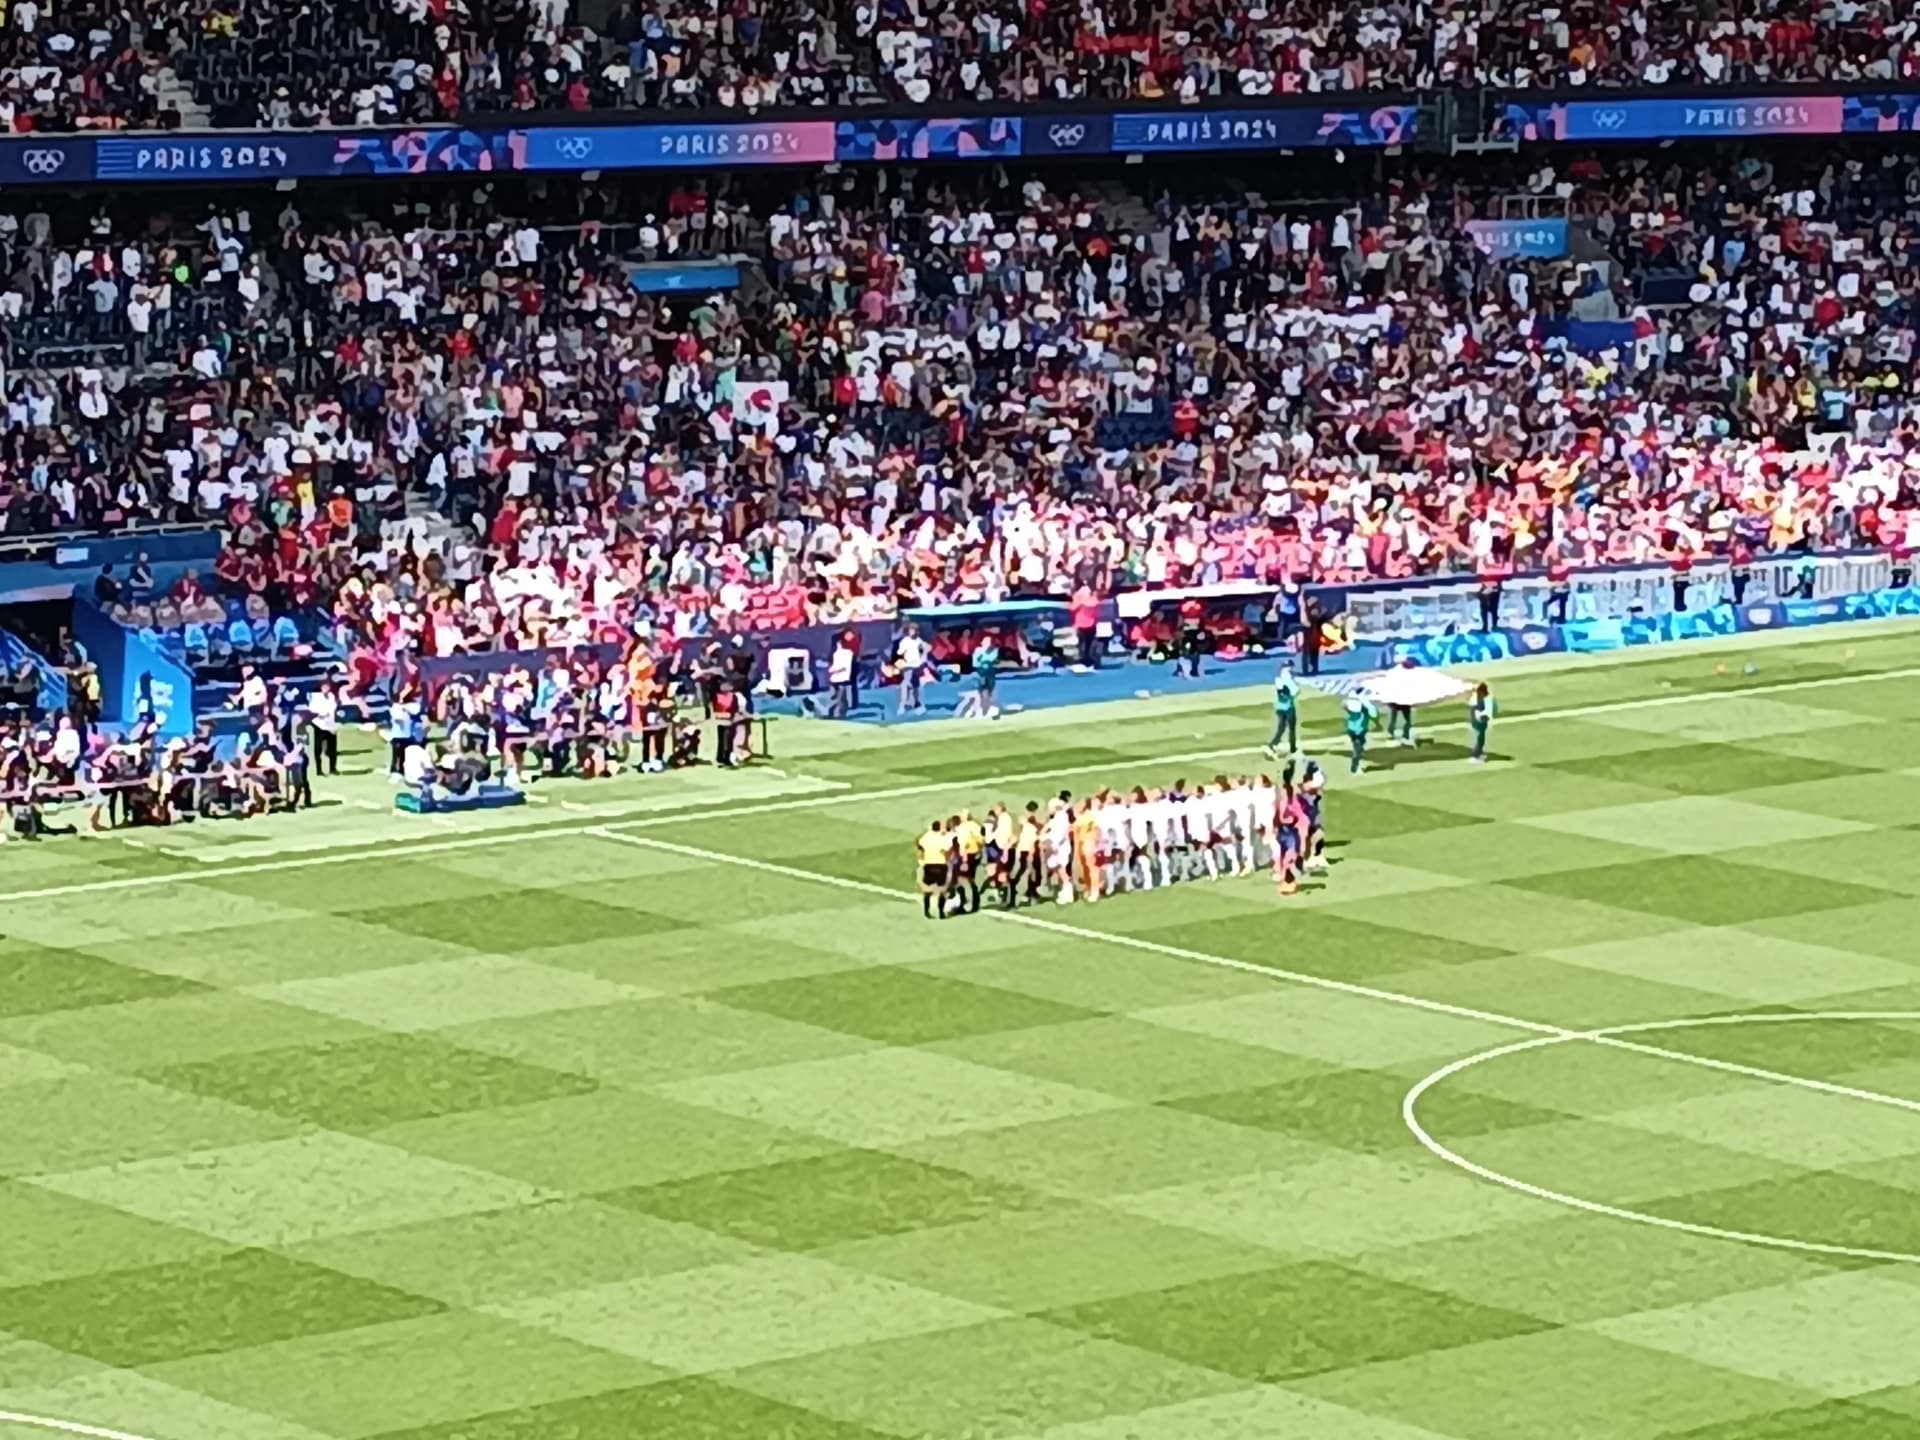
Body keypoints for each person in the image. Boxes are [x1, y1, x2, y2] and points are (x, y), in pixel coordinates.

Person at [917, 819, 953, 919]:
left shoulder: (925, 837)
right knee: (942, 890)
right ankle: (941, 912)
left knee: (927, 890)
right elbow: (946, 851)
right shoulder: (942, 838)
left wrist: (922, 861)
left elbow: (920, 851)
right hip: (941, 865)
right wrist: (948, 860)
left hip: (928, 865)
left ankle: (926, 911)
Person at [307, 680, 340, 775]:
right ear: (321, 688)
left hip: (330, 725)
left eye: (328, 687)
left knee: (332, 748)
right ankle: (319, 770)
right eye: (324, 687)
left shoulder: (331, 697)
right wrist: (320, 714)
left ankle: (333, 768)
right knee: (318, 749)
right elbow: (311, 710)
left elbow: (333, 709)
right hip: (319, 725)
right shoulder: (316, 697)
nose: (326, 689)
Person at [894, 623, 928, 715]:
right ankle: (904, 705)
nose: (912, 632)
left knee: (914, 686)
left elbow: (922, 655)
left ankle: (915, 704)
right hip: (907, 666)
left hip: (916, 666)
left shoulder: (920, 642)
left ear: (918, 632)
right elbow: (899, 652)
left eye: (914, 630)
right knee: (906, 684)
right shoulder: (905, 641)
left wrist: (921, 664)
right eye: (911, 630)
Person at [1266, 662, 1299, 757]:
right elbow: (1295, 692)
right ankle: (1292, 747)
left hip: (1279, 707)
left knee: (1281, 728)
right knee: (1291, 728)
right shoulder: (1289, 681)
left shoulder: (1278, 680)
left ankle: (1273, 744)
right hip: (1288, 707)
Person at [1344, 694, 1377, 774]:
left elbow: (1345, 706)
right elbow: (1373, 714)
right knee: (1357, 747)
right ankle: (1355, 764)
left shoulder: (1354, 709)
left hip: (1352, 730)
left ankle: (1358, 752)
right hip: (1359, 731)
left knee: (1360, 742)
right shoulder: (1365, 711)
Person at [826, 636, 857, 719]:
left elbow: (844, 667)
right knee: (836, 697)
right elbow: (836, 665)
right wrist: (832, 670)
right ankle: (834, 713)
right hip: (836, 678)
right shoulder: (836, 653)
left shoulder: (847, 653)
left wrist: (834, 671)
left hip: (841, 678)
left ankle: (838, 714)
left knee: (840, 698)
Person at [971, 634, 1001, 716]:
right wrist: (984, 662)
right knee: (983, 691)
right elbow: (975, 663)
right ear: (982, 643)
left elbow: (994, 660)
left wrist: (984, 661)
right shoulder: (978, 650)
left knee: (991, 691)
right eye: (986, 642)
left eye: (989, 642)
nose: (988, 644)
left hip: (991, 674)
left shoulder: (995, 650)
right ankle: (983, 709)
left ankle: (991, 708)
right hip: (981, 674)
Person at [1469, 682, 1496, 764]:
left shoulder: (1486, 699)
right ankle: (1476, 754)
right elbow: (1475, 708)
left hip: (1481, 721)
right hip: (1477, 721)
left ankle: (1478, 753)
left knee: (1481, 738)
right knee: (1480, 738)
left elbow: (1487, 712)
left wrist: (1483, 717)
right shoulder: (1477, 697)